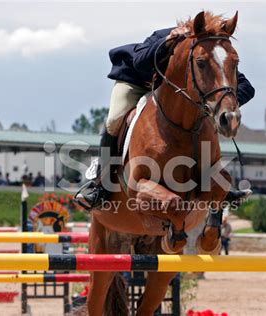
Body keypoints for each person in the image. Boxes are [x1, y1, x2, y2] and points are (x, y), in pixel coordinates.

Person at [77, 23, 255, 209]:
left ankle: (217, 185)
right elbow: (139, 61)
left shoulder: (207, 54)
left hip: (170, 94)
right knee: (114, 120)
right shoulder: (165, 36)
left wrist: (217, 106)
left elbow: (246, 88)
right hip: (137, 82)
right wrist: (167, 40)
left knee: (199, 122)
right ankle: (100, 185)